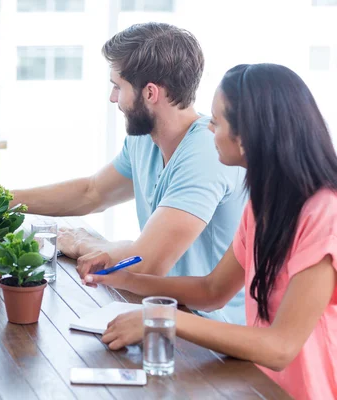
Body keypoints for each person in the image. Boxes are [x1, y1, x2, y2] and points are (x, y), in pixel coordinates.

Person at [0, 22, 247, 324]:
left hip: (208, 338)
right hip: (159, 312)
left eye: (118, 87)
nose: (112, 98)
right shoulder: (145, 140)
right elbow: (92, 192)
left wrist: (84, 243)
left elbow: (146, 264)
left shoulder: (206, 151)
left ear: (150, 93)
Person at [84, 63, 337, 400]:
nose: (207, 128)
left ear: (246, 137)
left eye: (216, 122)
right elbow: (212, 289)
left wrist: (161, 317)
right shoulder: (263, 205)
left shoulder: (325, 214)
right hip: (258, 386)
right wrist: (122, 278)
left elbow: (281, 347)